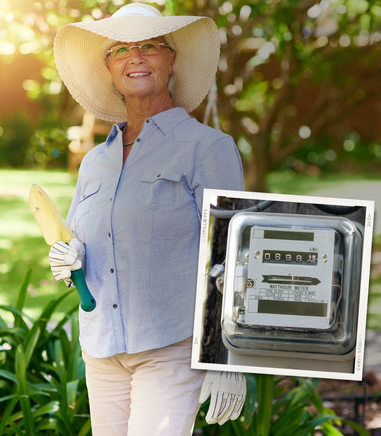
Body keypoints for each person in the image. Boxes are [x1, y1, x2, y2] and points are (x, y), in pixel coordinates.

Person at [49, 3, 246, 435]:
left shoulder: (206, 148)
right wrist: (68, 259)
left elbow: (233, 258)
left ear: (171, 59)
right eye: (121, 49)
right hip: (102, 350)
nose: (135, 57)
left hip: (170, 347)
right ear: (109, 67)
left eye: (150, 46)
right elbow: (80, 243)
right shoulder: (95, 162)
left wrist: (226, 355)